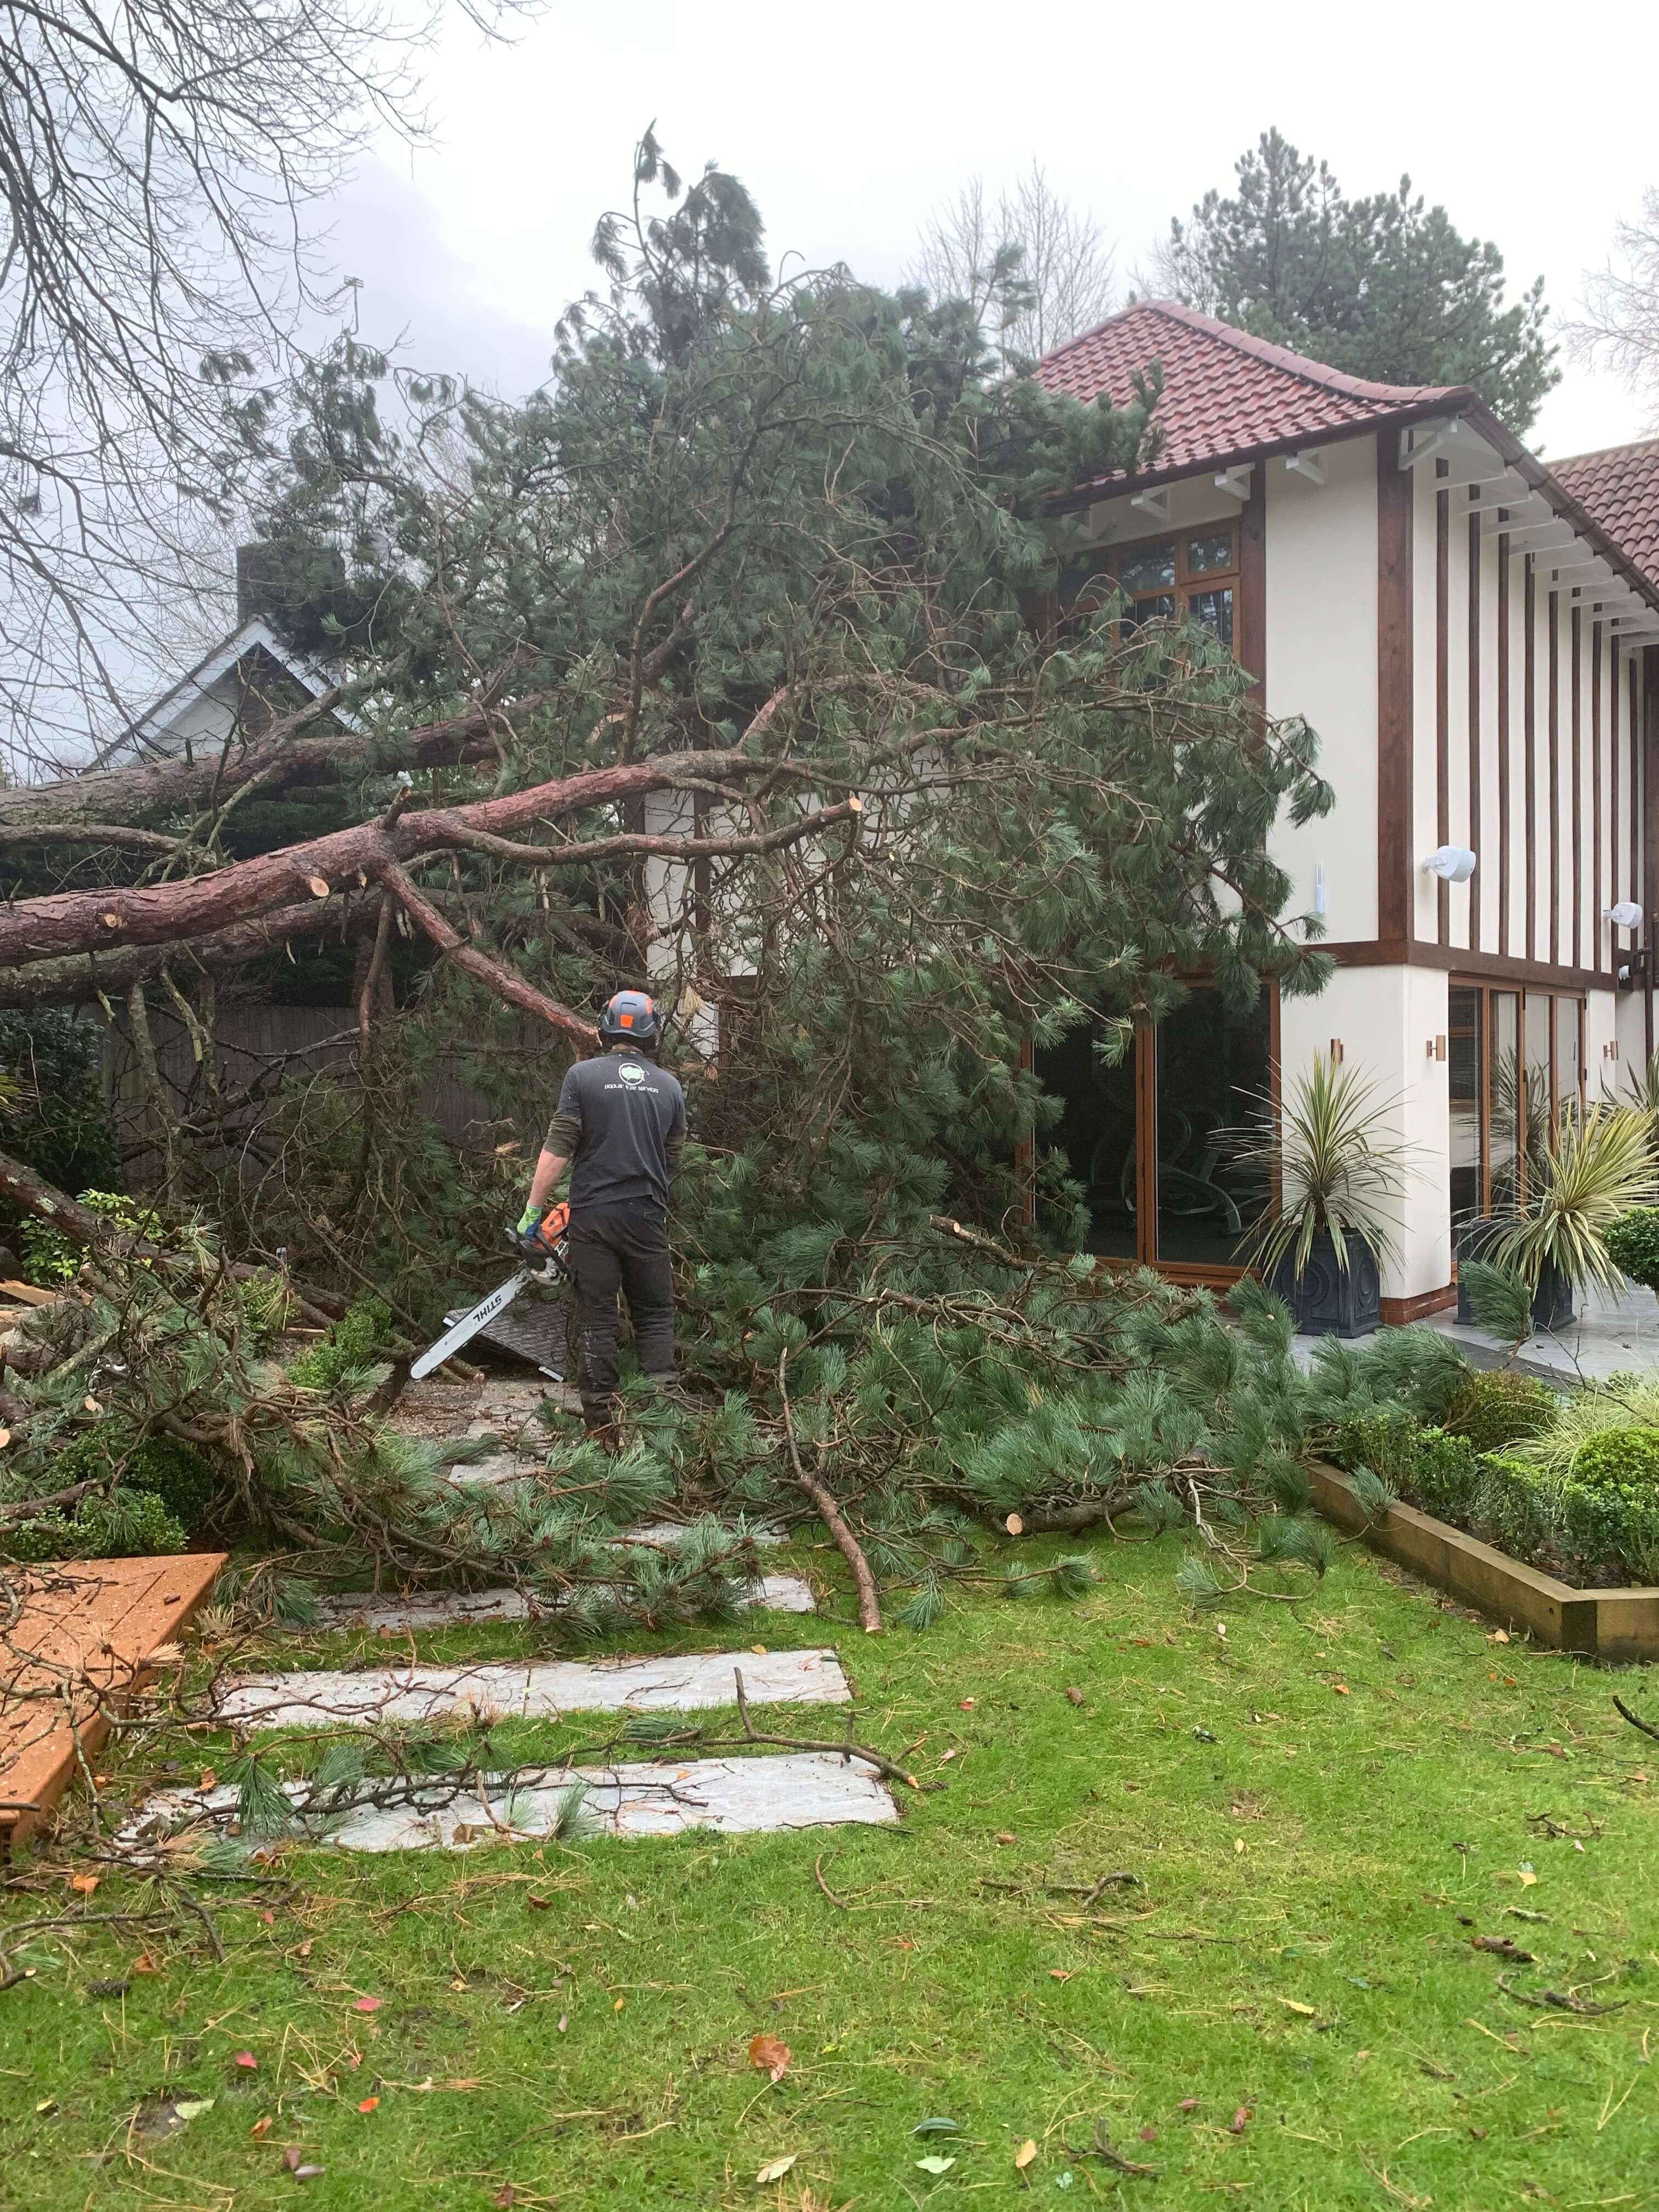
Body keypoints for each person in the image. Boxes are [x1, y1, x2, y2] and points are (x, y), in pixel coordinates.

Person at [517, 989, 686, 1433]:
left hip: (593, 1217)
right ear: (654, 1034)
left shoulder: (582, 1077)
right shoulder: (670, 1087)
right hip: (647, 1216)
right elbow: (670, 1164)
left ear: (605, 1025)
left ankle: (601, 1429)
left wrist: (533, 1214)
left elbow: (557, 1150)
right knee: (653, 1313)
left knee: (598, 1317)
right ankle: (662, 1424)